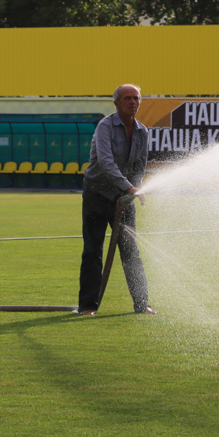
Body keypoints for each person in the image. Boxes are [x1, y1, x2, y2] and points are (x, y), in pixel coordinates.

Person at [78, 84, 157, 315]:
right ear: (116, 103)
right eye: (127, 98)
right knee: (92, 251)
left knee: (131, 251)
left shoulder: (142, 131)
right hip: (96, 195)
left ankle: (142, 304)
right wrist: (130, 188)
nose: (133, 102)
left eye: (136, 98)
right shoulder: (105, 127)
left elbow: (139, 166)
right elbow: (105, 162)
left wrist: (132, 190)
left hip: (124, 198)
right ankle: (87, 307)